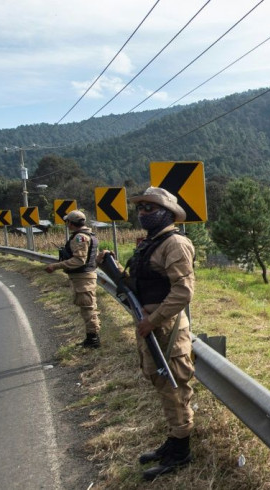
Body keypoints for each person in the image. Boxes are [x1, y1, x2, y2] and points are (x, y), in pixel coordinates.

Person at [96, 186, 196, 481]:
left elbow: (183, 292)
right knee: (161, 385)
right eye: (140, 209)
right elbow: (138, 285)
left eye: (150, 209)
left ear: (166, 212)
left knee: (174, 387)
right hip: (149, 325)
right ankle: (173, 441)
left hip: (165, 328)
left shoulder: (174, 244)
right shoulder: (151, 244)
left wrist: (153, 320)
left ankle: (181, 452)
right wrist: (111, 267)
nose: (142, 213)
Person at [44, 210, 101, 348]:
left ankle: (93, 339)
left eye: (67, 222)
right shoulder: (88, 235)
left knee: (88, 309)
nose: (67, 225)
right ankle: (91, 337)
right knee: (86, 308)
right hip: (83, 277)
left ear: (71, 223)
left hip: (83, 278)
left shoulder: (80, 237)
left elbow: (79, 260)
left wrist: (56, 266)